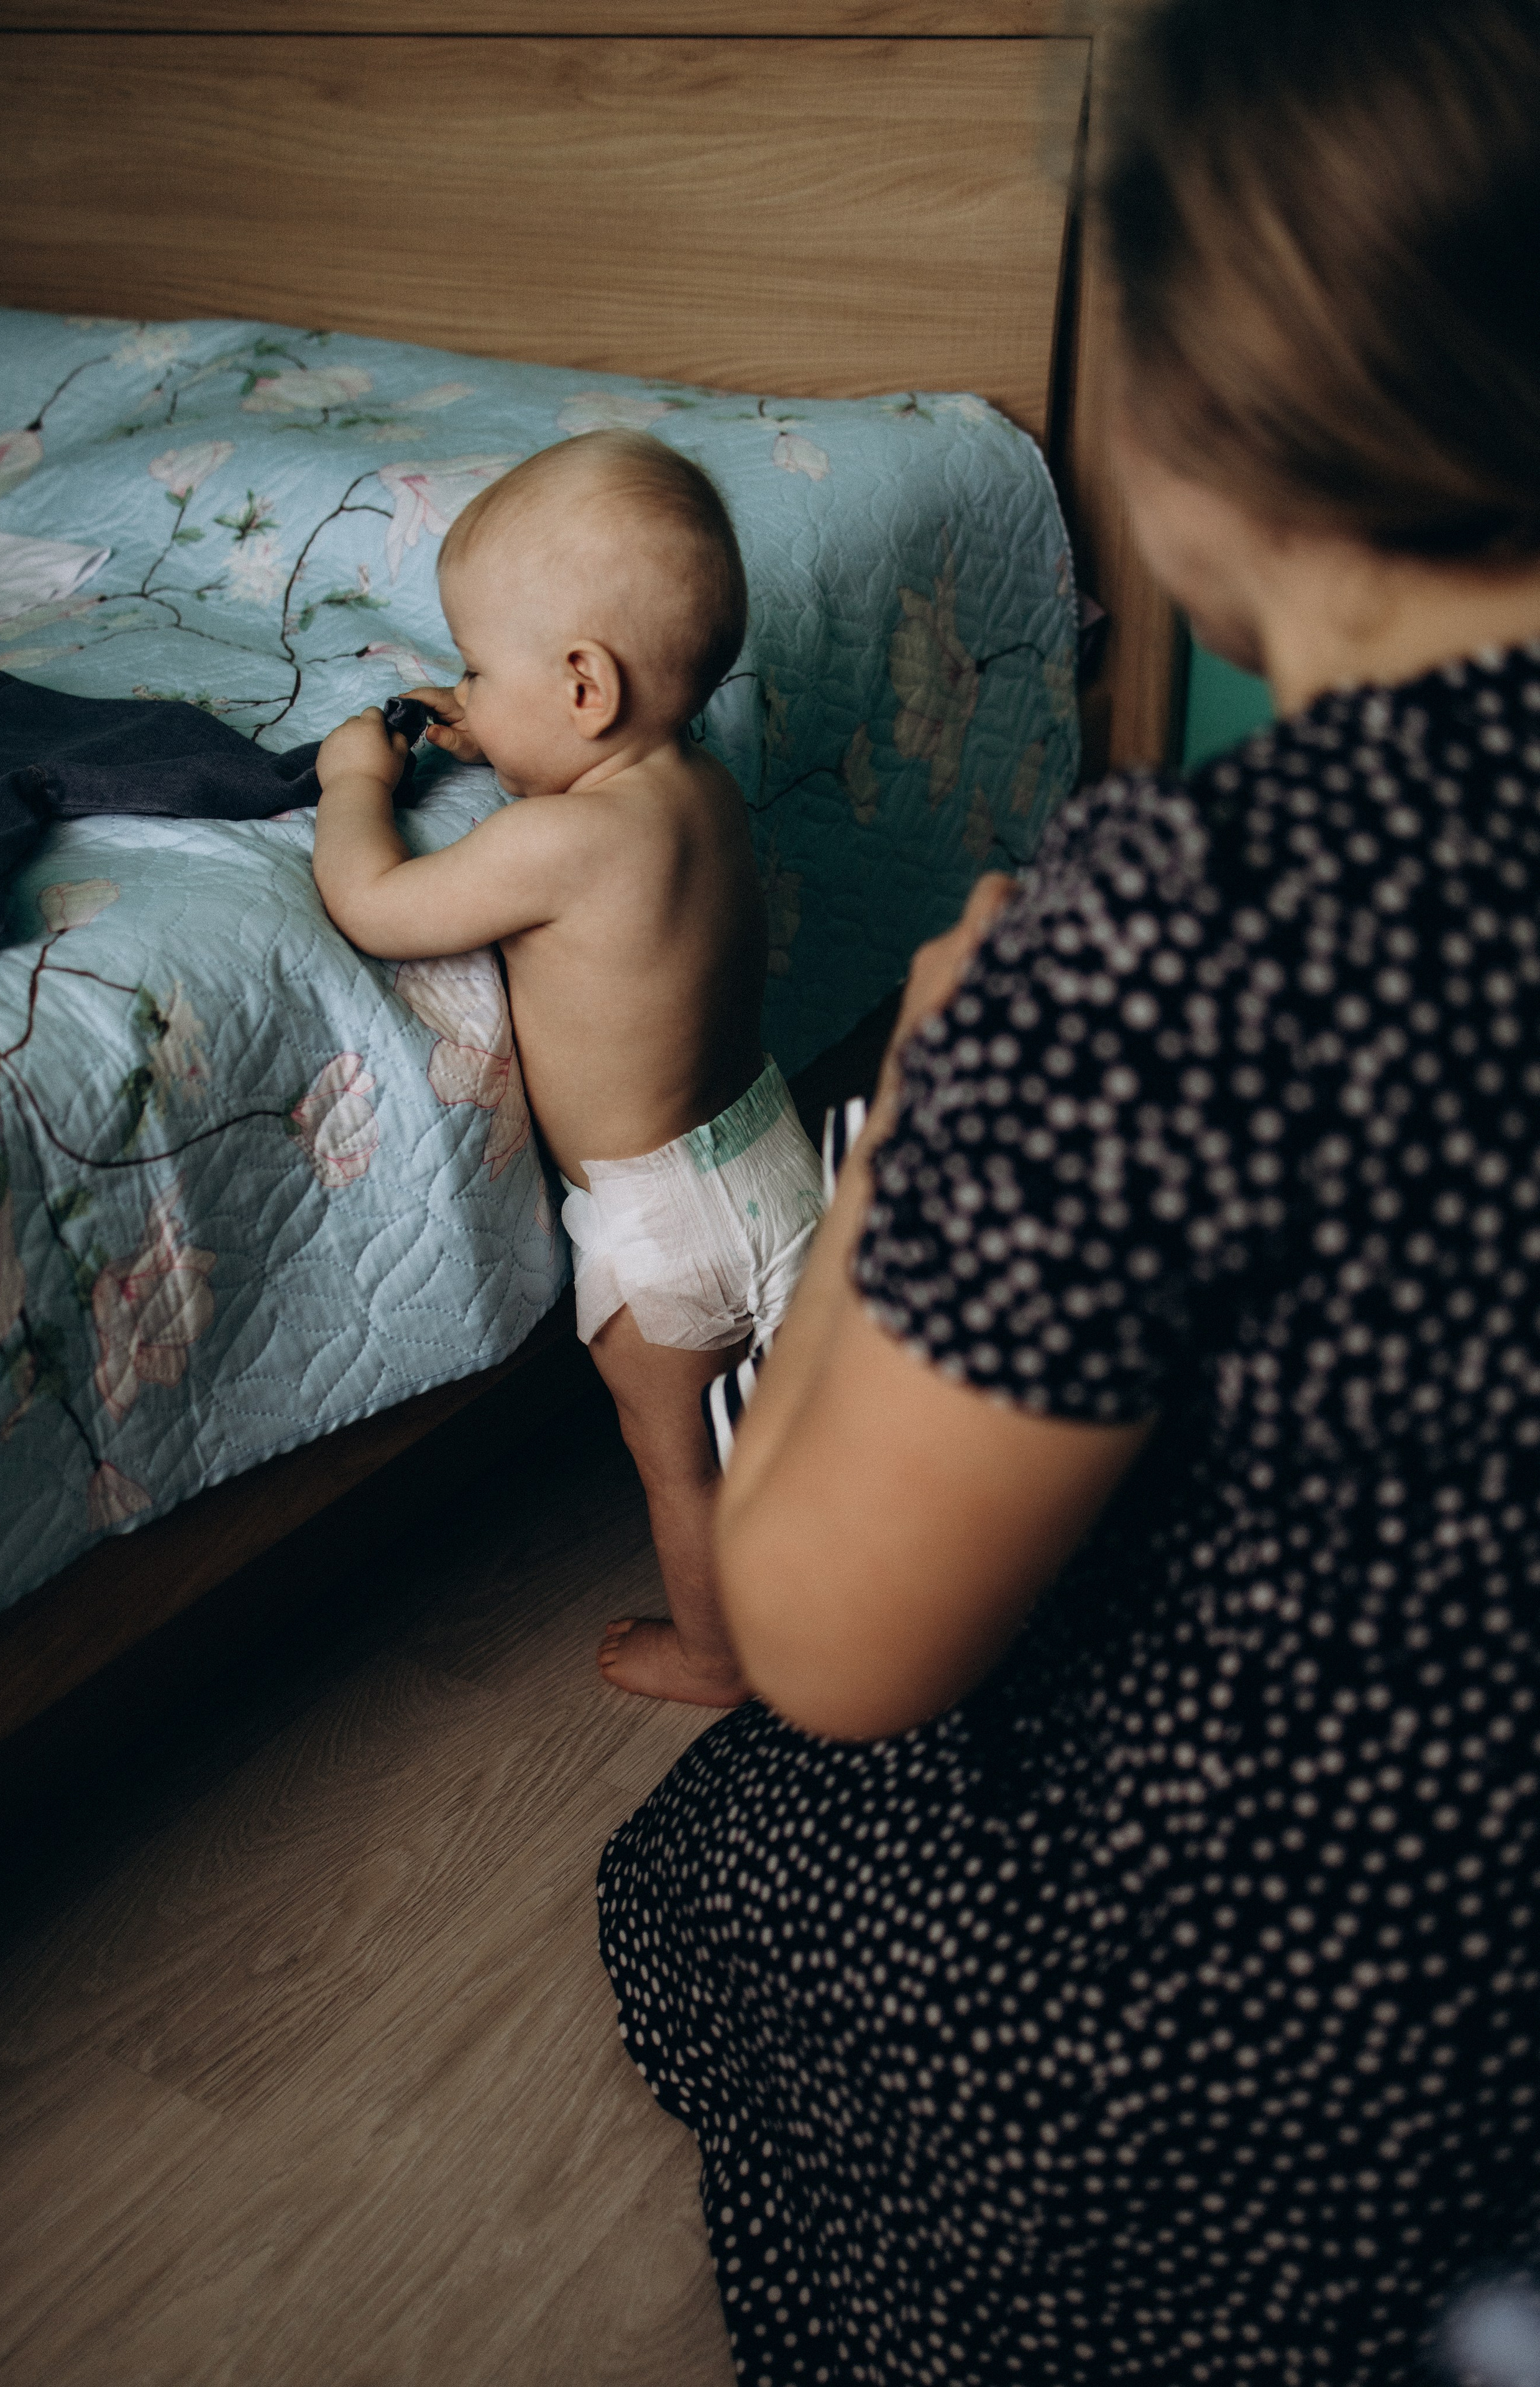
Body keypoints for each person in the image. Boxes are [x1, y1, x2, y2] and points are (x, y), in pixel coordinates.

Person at [595, 1, 1540, 2379]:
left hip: (1311, 2110)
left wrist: (919, 1126)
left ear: (1207, 399)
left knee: (706, 1862)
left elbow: (832, 1648)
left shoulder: (1186, 935)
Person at [311, 431, 823, 1708]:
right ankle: (840, 1572)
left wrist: (353, 783)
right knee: (794, 1410)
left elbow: (375, 904)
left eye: (479, 670)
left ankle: (715, 1653)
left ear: (584, 686)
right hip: (771, 1152)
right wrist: (502, 724)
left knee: (676, 1462)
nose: (465, 697)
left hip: (659, 1227)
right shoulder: (701, 791)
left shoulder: (553, 840)